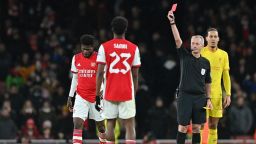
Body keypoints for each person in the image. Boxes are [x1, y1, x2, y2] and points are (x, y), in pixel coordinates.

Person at [167, 10, 213, 144]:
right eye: (192, 43)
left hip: (200, 97)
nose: (194, 45)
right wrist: (172, 22)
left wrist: (208, 98)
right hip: (184, 96)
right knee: (182, 127)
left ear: (203, 45)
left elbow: (208, 81)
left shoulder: (206, 62)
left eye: (197, 43)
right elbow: (177, 39)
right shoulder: (184, 56)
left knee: (197, 128)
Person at [95, 16, 141, 144]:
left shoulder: (104, 47)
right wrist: (134, 92)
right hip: (127, 91)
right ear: (126, 29)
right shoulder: (134, 48)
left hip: (110, 91)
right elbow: (135, 75)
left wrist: (97, 93)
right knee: (130, 123)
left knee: (110, 122)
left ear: (112, 29)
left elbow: (99, 73)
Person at [67, 34, 106, 144]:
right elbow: (75, 78)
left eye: (88, 49)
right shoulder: (76, 58)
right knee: (77, 123)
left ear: (93, 48)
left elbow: (106, 77)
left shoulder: (100, 58)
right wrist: (71, 96)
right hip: (81, 96)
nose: (85, 51)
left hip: (97, 96)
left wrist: (104, 91)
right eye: (83, 49)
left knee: (101, 126)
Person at [200, 28, 231, 144]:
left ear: (218, 39)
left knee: (213, 125)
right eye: (211, 36)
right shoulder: (201, 52)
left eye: (215, 36)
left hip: (217, 95)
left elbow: (226, 76)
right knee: (202, 125)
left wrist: (228, 94)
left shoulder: (223, 55)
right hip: (202, 94)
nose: (213, 39)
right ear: (206, 38)